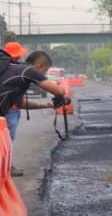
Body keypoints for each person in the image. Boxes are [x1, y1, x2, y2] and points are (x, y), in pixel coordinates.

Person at [0, 47, 65, 176]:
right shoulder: (27, 71)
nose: (44, 74)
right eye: (45, 71)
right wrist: (64, 95)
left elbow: (21, 104)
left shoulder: (16, 72)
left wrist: (48, 104)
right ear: (40, 65)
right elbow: (58, 90)